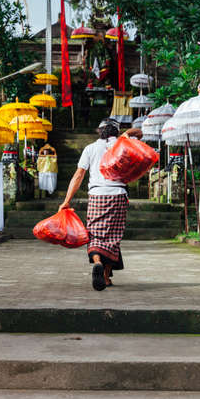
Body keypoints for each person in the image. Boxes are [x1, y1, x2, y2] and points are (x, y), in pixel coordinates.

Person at [59, 118, 142, 291]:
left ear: (99, 131)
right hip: (118, 194)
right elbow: (139, 133)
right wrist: (125, 136)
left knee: (95, 234)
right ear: (116, 131)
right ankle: (105, 277)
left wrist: (66, 201)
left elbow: (79, 175)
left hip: (97, 195)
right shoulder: (123, 145)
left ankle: (97, 262)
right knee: (113, 237)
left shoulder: (90, 148)